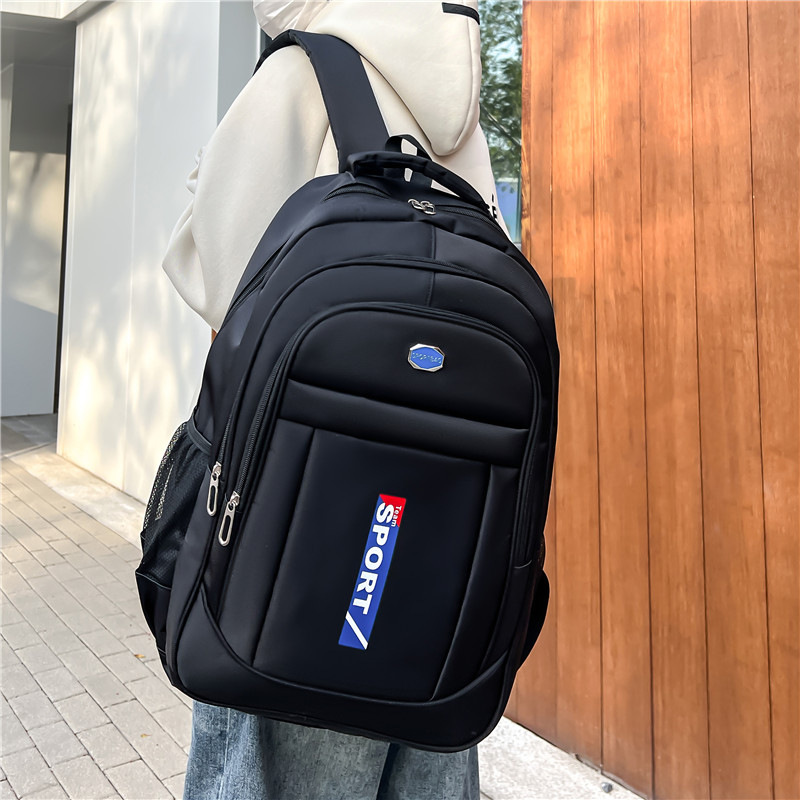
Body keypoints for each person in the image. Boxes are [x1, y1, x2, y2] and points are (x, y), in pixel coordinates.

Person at [162, 2, 508, 797]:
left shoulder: (302, 71)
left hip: (306, 536)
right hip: (447, 550)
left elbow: (219, 272)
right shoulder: (456, 95)